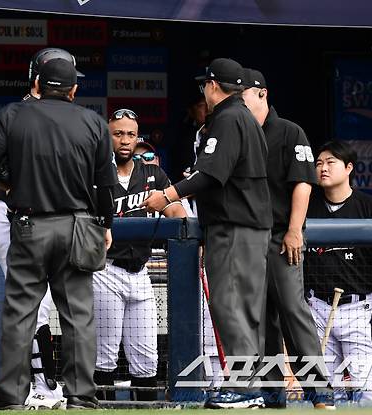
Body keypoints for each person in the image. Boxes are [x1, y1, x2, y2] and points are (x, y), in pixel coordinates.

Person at [0, 57, 117, 410]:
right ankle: (81, 396)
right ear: (73, 90)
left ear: (37, 84)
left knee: (20, 311)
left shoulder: (13, 114)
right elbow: (106, 185)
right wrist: (105, 224)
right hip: (78, 226)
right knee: (78, 314)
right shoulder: (93, 122)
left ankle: (10, 395)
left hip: (29, 224)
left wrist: (5, 186)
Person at [142, 58, 272, 409]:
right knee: (242, 308)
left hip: (234, 229)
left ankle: (245, 389)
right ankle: (251, 387)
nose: (204, 90)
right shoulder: (244, 117)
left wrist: (168, 194)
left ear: (213, 86)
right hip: (247, 227)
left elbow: (210, 175)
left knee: (230, 305)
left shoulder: (228, 118)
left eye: (206, 85)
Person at [0, 47, 83, 409]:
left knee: (40, 305)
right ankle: (40, 385)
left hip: (45, 219)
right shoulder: (16, 113)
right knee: (34, 305)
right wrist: (10, 186)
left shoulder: (61, 116)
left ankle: (43, 384)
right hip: (17, 216)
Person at [241, 68, 334, 408]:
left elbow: (303, 183)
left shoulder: (289, 131)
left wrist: (295, 230)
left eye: (242, 95)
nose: (237, 102)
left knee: (293, 312)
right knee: (260, 320)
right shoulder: (236, 132)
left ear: (261, 93)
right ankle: (270, 393)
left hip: (280, 237)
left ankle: (320, 392)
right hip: (246, 239)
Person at [93, 109, 185, 402]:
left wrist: (170, 204)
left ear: (137, 137)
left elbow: (178, 217)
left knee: (147, 358)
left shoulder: (152, 174)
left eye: (130, 134)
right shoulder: (94, 172)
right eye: (118, 133)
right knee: (103, 356)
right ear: (107, 136)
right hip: (105, 270)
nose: (124, 140)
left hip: (140, 272)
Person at [304, 140, 372, 401]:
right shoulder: (306, 205)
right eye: (319, 163)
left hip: (359, 309)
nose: (323, 168)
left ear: (349, 167)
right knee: (328, 394)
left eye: (331, 162)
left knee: (366, 393)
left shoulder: (370, 206)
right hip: (317, 307)